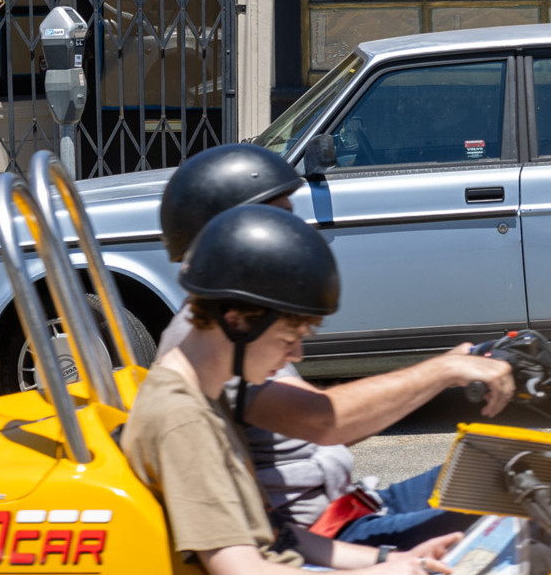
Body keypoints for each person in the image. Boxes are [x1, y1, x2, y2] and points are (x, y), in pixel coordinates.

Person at [154, 144, 509, 547]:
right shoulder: (210, 341)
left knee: (506, 464)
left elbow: (324, 424)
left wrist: (452, 368)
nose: (298, 231)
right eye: (280, 219)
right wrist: (444, 370)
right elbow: (325, 421)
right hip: (326, 537)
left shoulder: (242, 322)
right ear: (231, 235)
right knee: (517, 497)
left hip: (355, 504)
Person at [121, 203, 456, 575]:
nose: (296, 352)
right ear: (238, 320)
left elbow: (281, 535)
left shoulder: (208, 397)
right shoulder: (184, 421)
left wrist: (393, 560)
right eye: (287, 336)